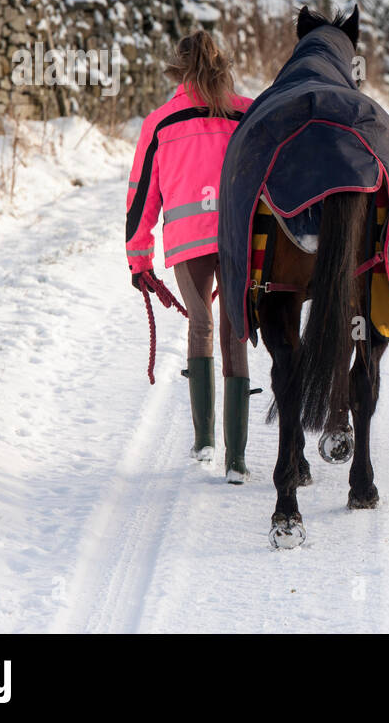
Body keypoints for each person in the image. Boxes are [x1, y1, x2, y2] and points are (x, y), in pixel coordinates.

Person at [125, 31, 254, 482]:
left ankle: (204, 442)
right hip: (239, 238)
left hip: (187, 240)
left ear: (178, 70)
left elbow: (142, 197)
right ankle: (236, 461)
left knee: (200, 324)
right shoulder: (246, 113)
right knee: (235, 328)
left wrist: (139, 259)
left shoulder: (160, 122)